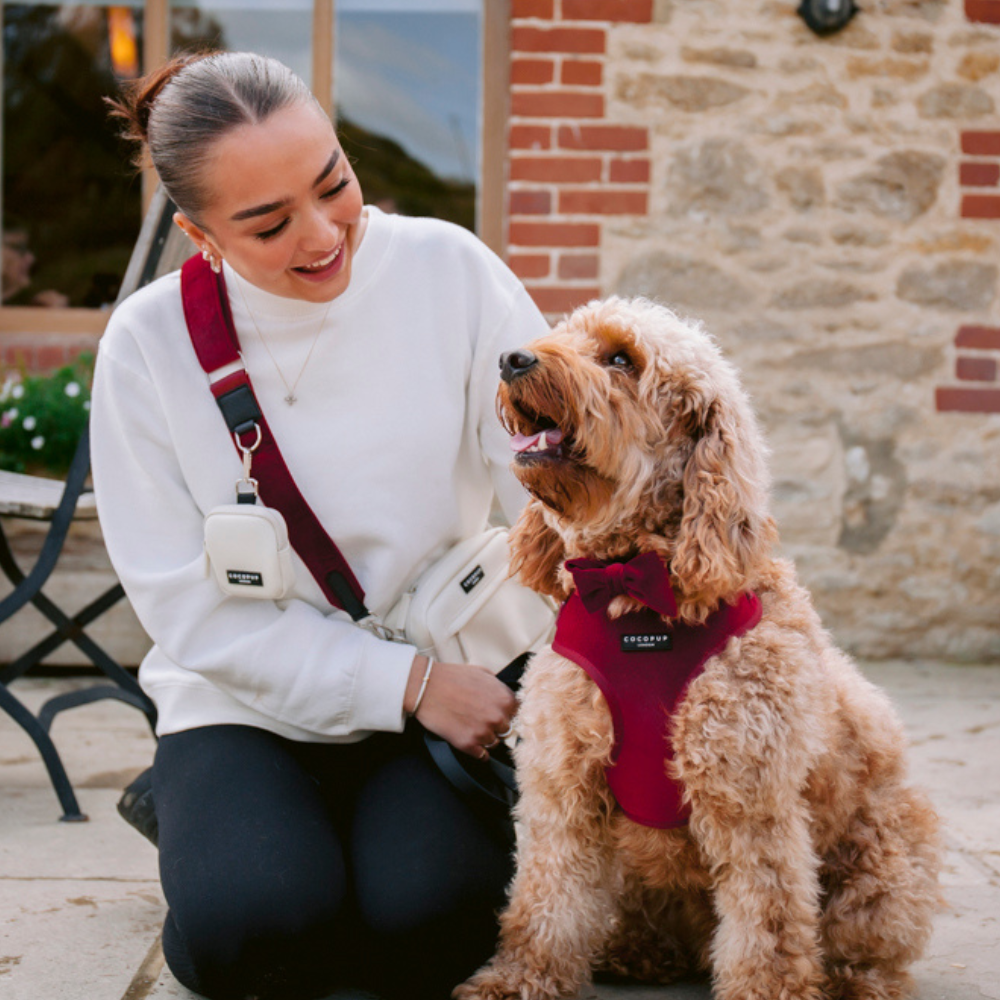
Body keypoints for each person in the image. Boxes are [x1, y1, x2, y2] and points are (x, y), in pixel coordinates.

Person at [94, 50, 550, 1000]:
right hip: (246, 700)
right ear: (198, 232)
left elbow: (553, 489)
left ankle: (322, 847)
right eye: (267, 225)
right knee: (251, 933)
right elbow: (189, 611)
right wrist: (405, 684)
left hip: (449, 661)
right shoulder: (145, 347)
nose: (322, 236)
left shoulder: (452, 273)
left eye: (332, 183)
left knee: (438, 925)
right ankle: (225, 825)